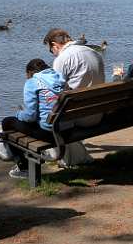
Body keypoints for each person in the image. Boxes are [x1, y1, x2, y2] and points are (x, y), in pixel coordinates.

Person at [42, 28, 105, 165]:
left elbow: (55, 94)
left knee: (44, 111)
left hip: (79, 118)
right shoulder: (94, 52)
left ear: (55, 45)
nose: (53, 54)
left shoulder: (62, 59)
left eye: (51, 50)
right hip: (98, 113)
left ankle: (64, 157)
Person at [1, 58, 66, 179]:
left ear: (30, 72)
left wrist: (19, 114)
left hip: (49, 132)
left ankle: (23, 166)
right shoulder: (60, 77)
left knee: (7, 122)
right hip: (67, 127)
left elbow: (30, 116)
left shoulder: (32, 82)